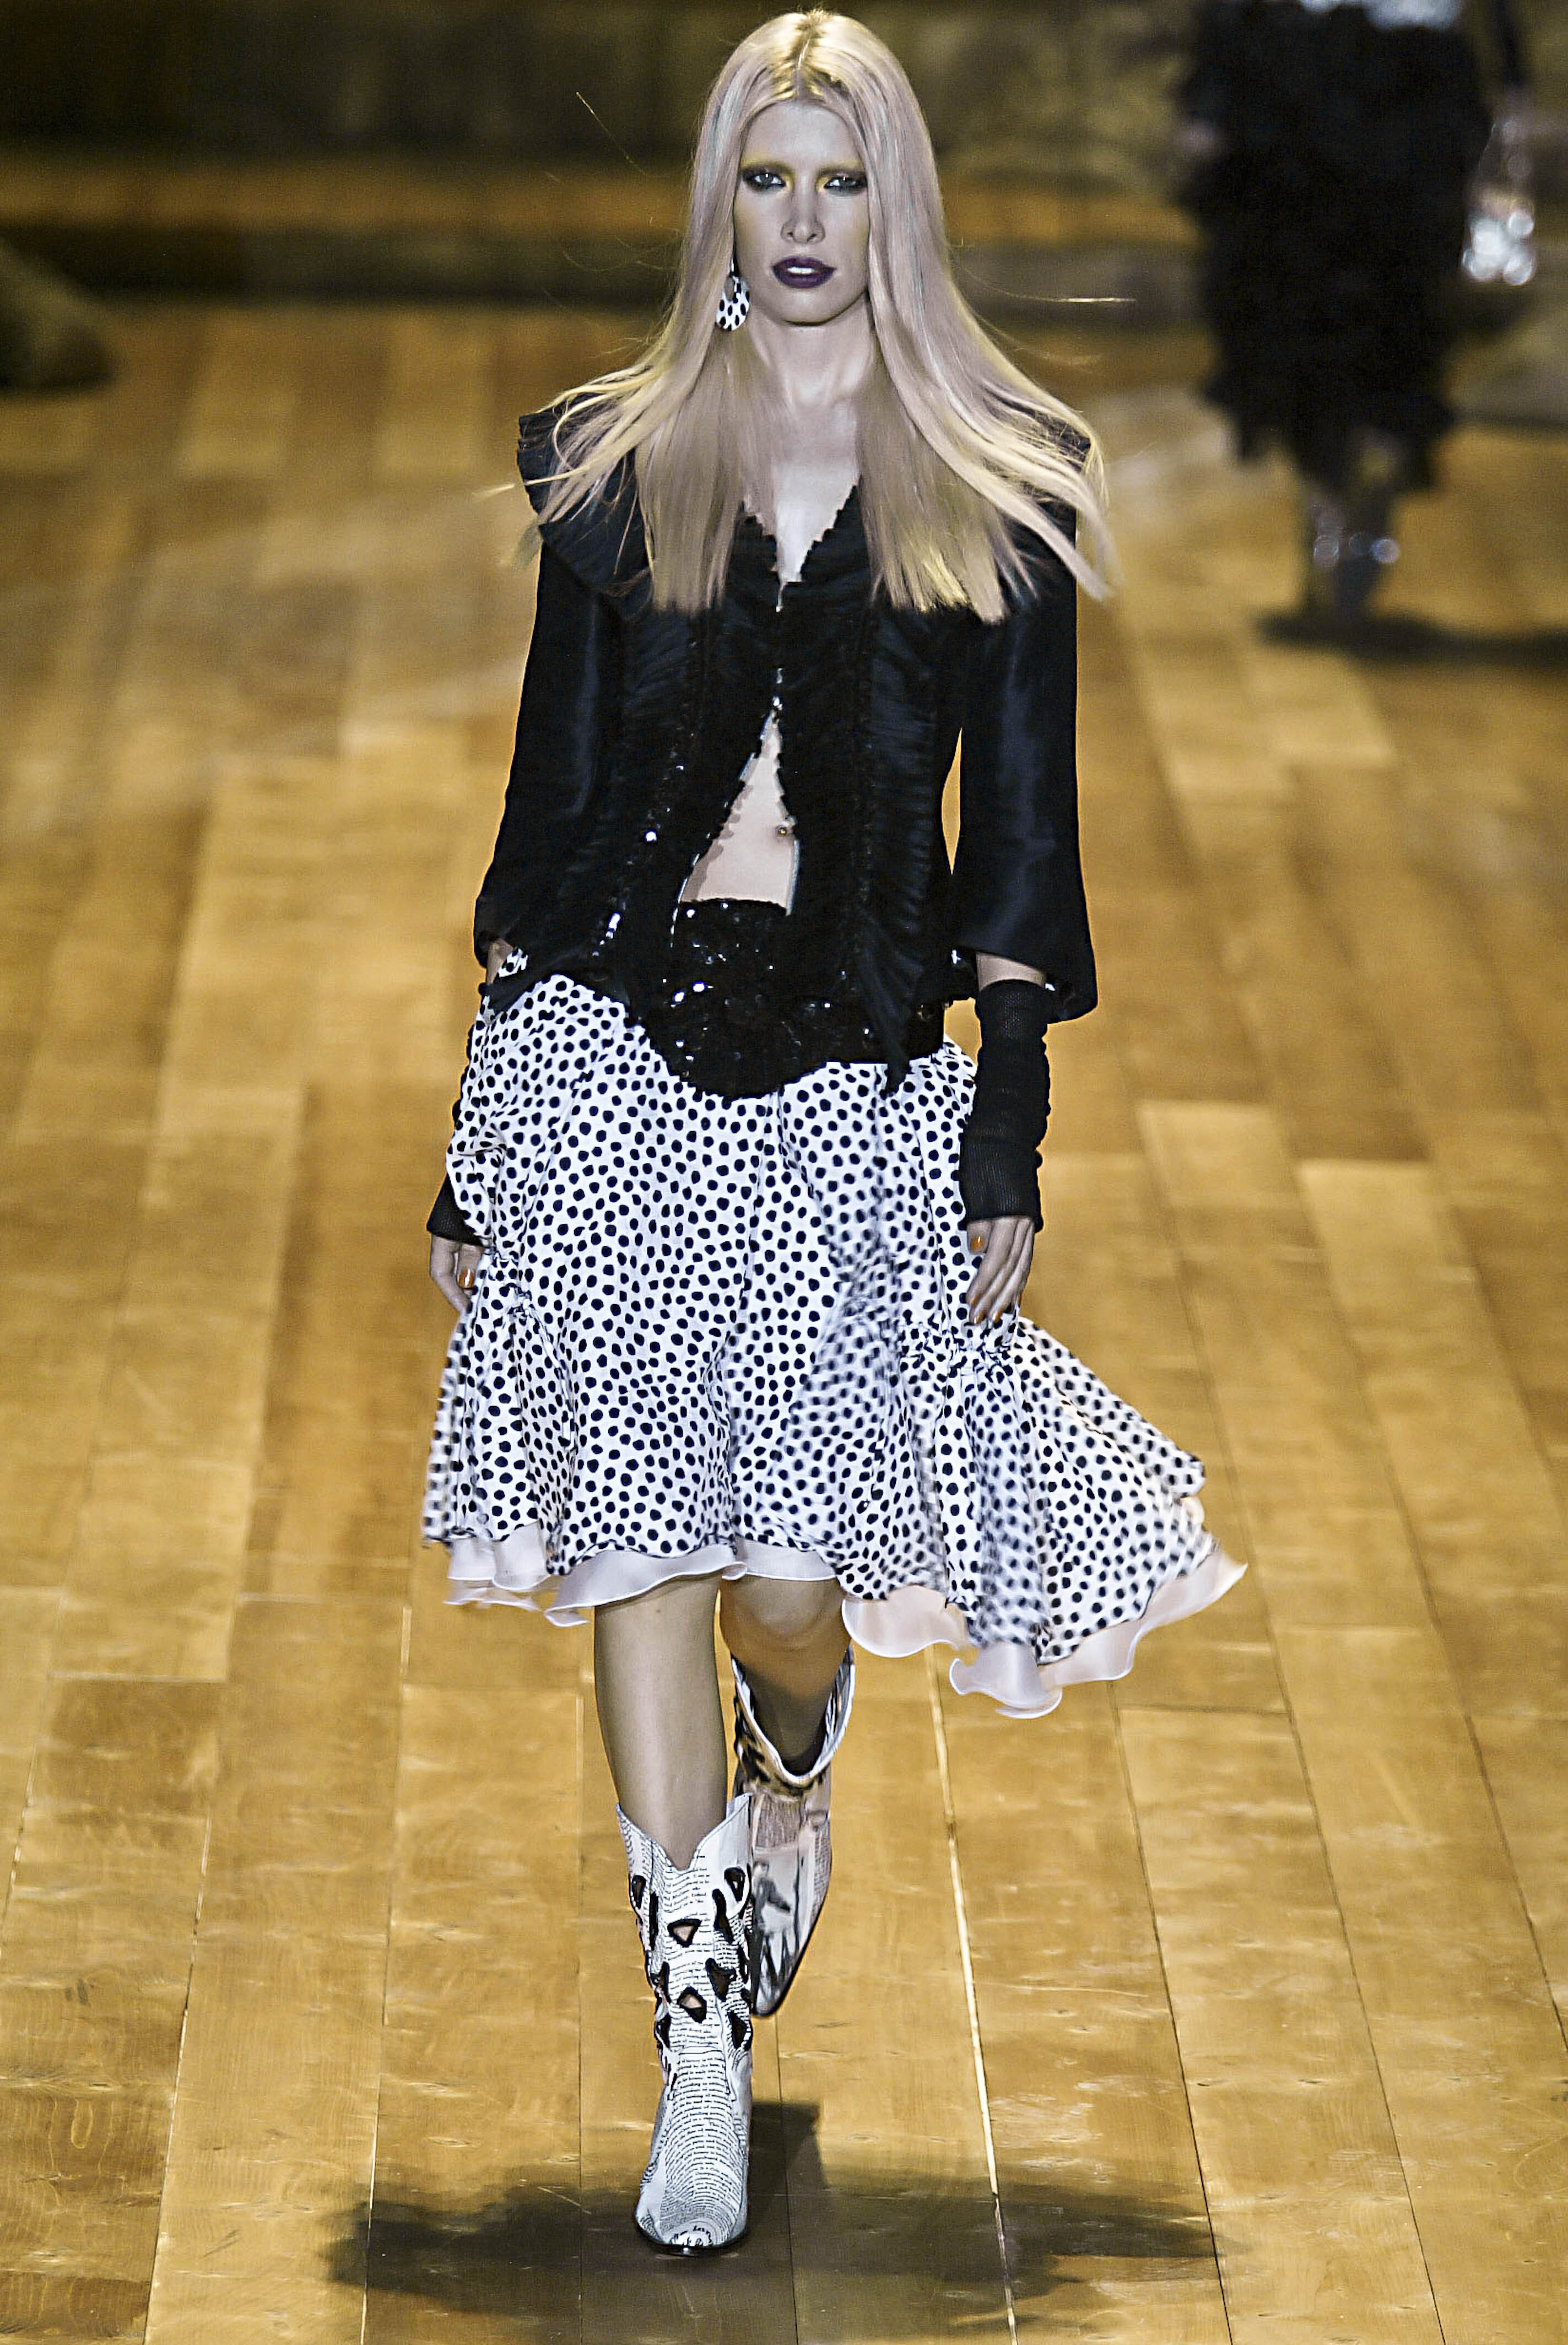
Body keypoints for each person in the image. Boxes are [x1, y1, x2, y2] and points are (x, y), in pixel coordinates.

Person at [423, 8, 1244, 2256]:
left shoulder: (1002, 477)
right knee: (635, 1545)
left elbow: (1024, 843)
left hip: (850, 1076)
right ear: (719, 203)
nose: (800, 223)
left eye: (840, 179)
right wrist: (476, 1134)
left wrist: (1008, 1128)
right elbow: (551, 807)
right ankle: (696, 2042)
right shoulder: (611, 467)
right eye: (765, 179)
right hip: (607, 1058)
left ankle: (790, 1766)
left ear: (900, 204)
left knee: (790, 1592)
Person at [1178, 0, 1529, 626]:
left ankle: (1336, 499)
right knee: (1350, 322)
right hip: (1356, 99)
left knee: (1328, 322)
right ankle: (1348, 491)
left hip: (1332, 98)